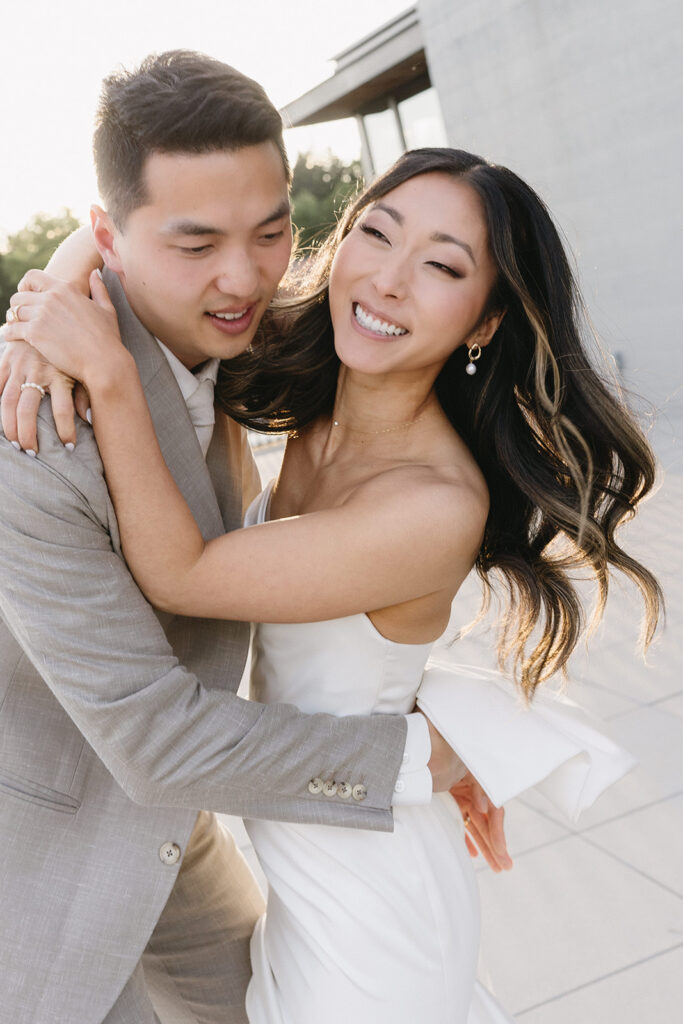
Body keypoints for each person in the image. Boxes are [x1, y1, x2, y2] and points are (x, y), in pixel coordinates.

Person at [2, 146, 661, 1023]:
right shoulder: (319, 379)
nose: (388, 280)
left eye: (440, 266)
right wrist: (51, 293)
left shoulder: (433, 505)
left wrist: (111, 377)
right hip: (301, 863)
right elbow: (138, 252)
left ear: (484, 323)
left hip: (371, 904)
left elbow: (183, 573)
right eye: (376, 234)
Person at [0, 54, 500, 1024]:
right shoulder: (32, 439)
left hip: (175, 840)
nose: (243, 277)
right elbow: (158, 738)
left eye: (270, 231)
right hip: (37, 854)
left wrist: (66, 271)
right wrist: (412, 759)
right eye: (195, 245)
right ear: (115, 235)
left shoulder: (230, 335)